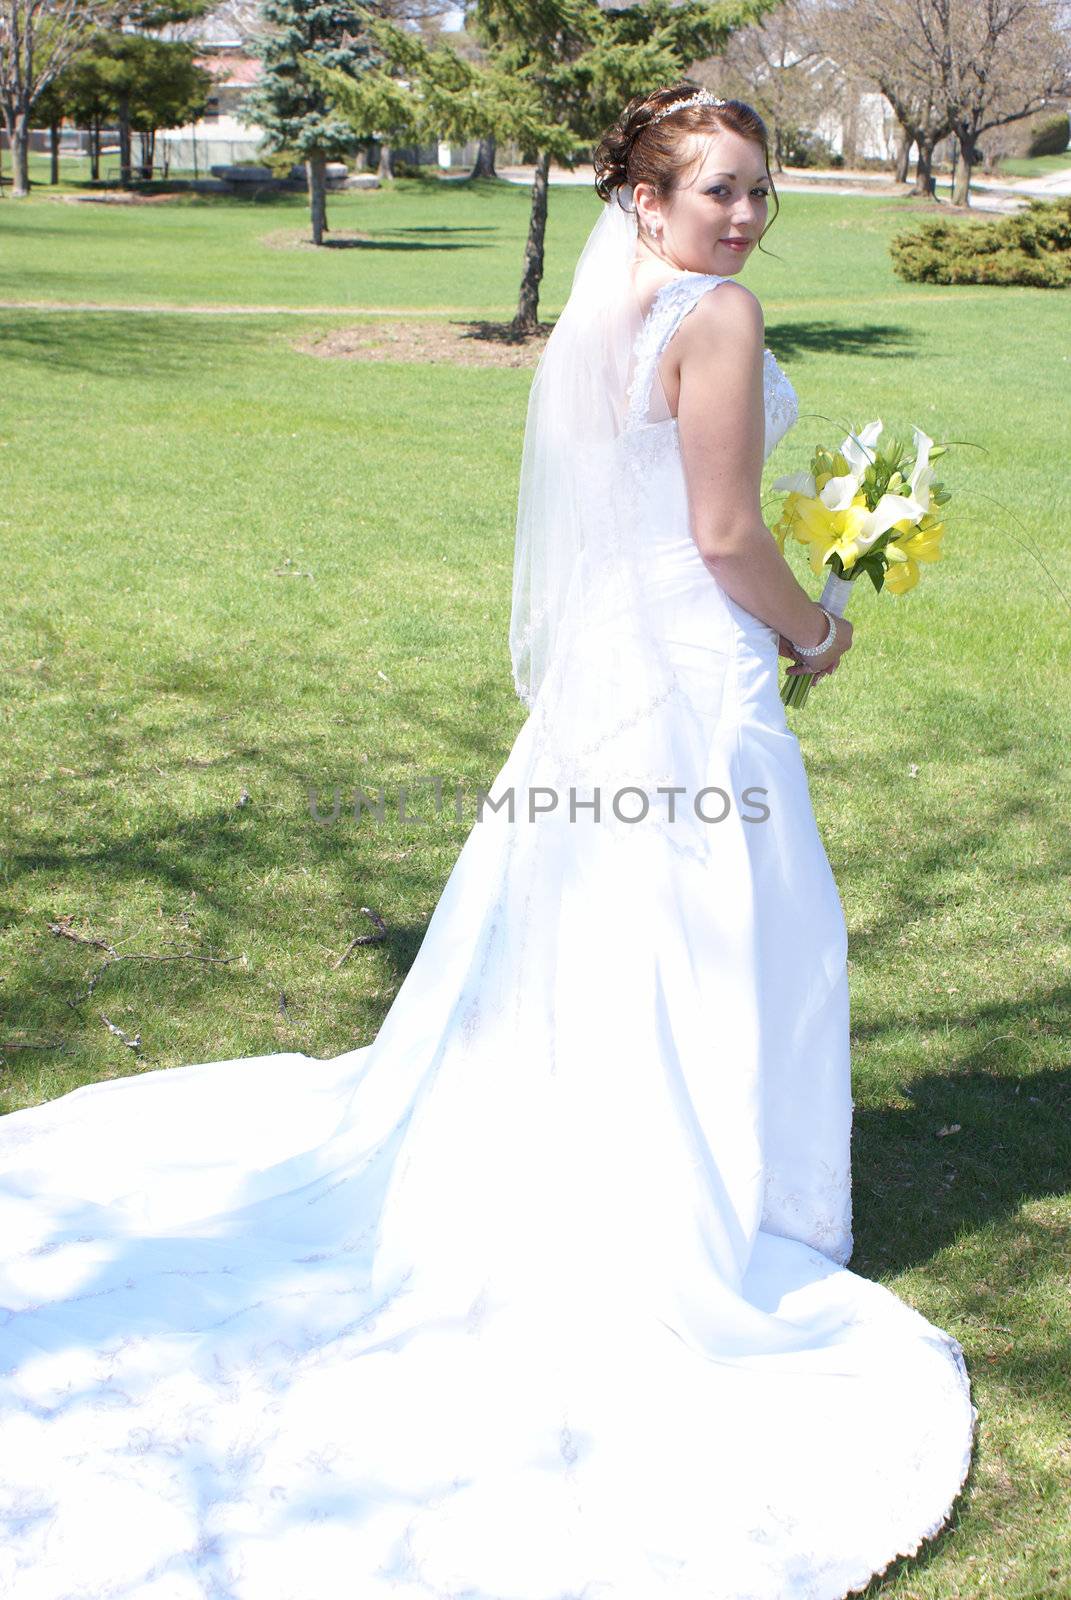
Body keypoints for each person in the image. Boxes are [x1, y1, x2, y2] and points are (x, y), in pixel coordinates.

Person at [0, 83, 976, 1600]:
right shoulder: (716, 319)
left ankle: (626, 1171)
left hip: (615, 682)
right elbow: (721, 536)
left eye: (758, 188)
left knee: (615, 936)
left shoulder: (612, 319)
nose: (742, 213)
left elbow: (639, 512)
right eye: (713, 189)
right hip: (696, 684)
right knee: (729, 929)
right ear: (644, 204)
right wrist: (822, 621)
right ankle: (716, 1214)